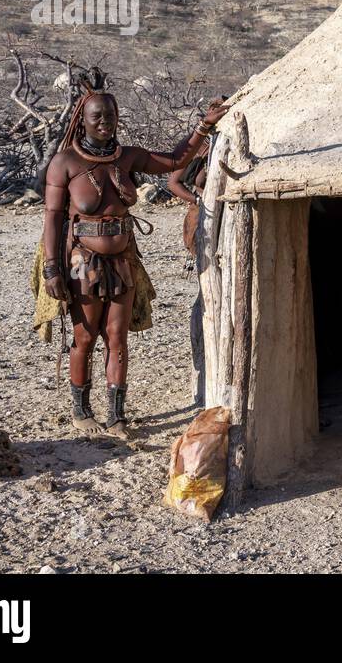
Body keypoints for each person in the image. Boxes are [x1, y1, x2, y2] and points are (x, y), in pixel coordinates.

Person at [35, 82, 229, 437]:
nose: (106, 122)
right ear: (83, 121)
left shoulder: (127, 157)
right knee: (85, 336)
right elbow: (51, 216)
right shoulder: (64, 163)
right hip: (81, 263)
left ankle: (117, 416)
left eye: (111, 116)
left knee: (117, 336)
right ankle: (81, 411)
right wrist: (52, 269)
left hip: (123, 260)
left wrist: (204, 125)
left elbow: (174, 161)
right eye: (98, 117)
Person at [166, 136, 212, 407]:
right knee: (206, 292)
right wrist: (198, 198)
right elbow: (173, 182)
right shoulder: (198, 147)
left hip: (214, 217)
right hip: (201, 220)